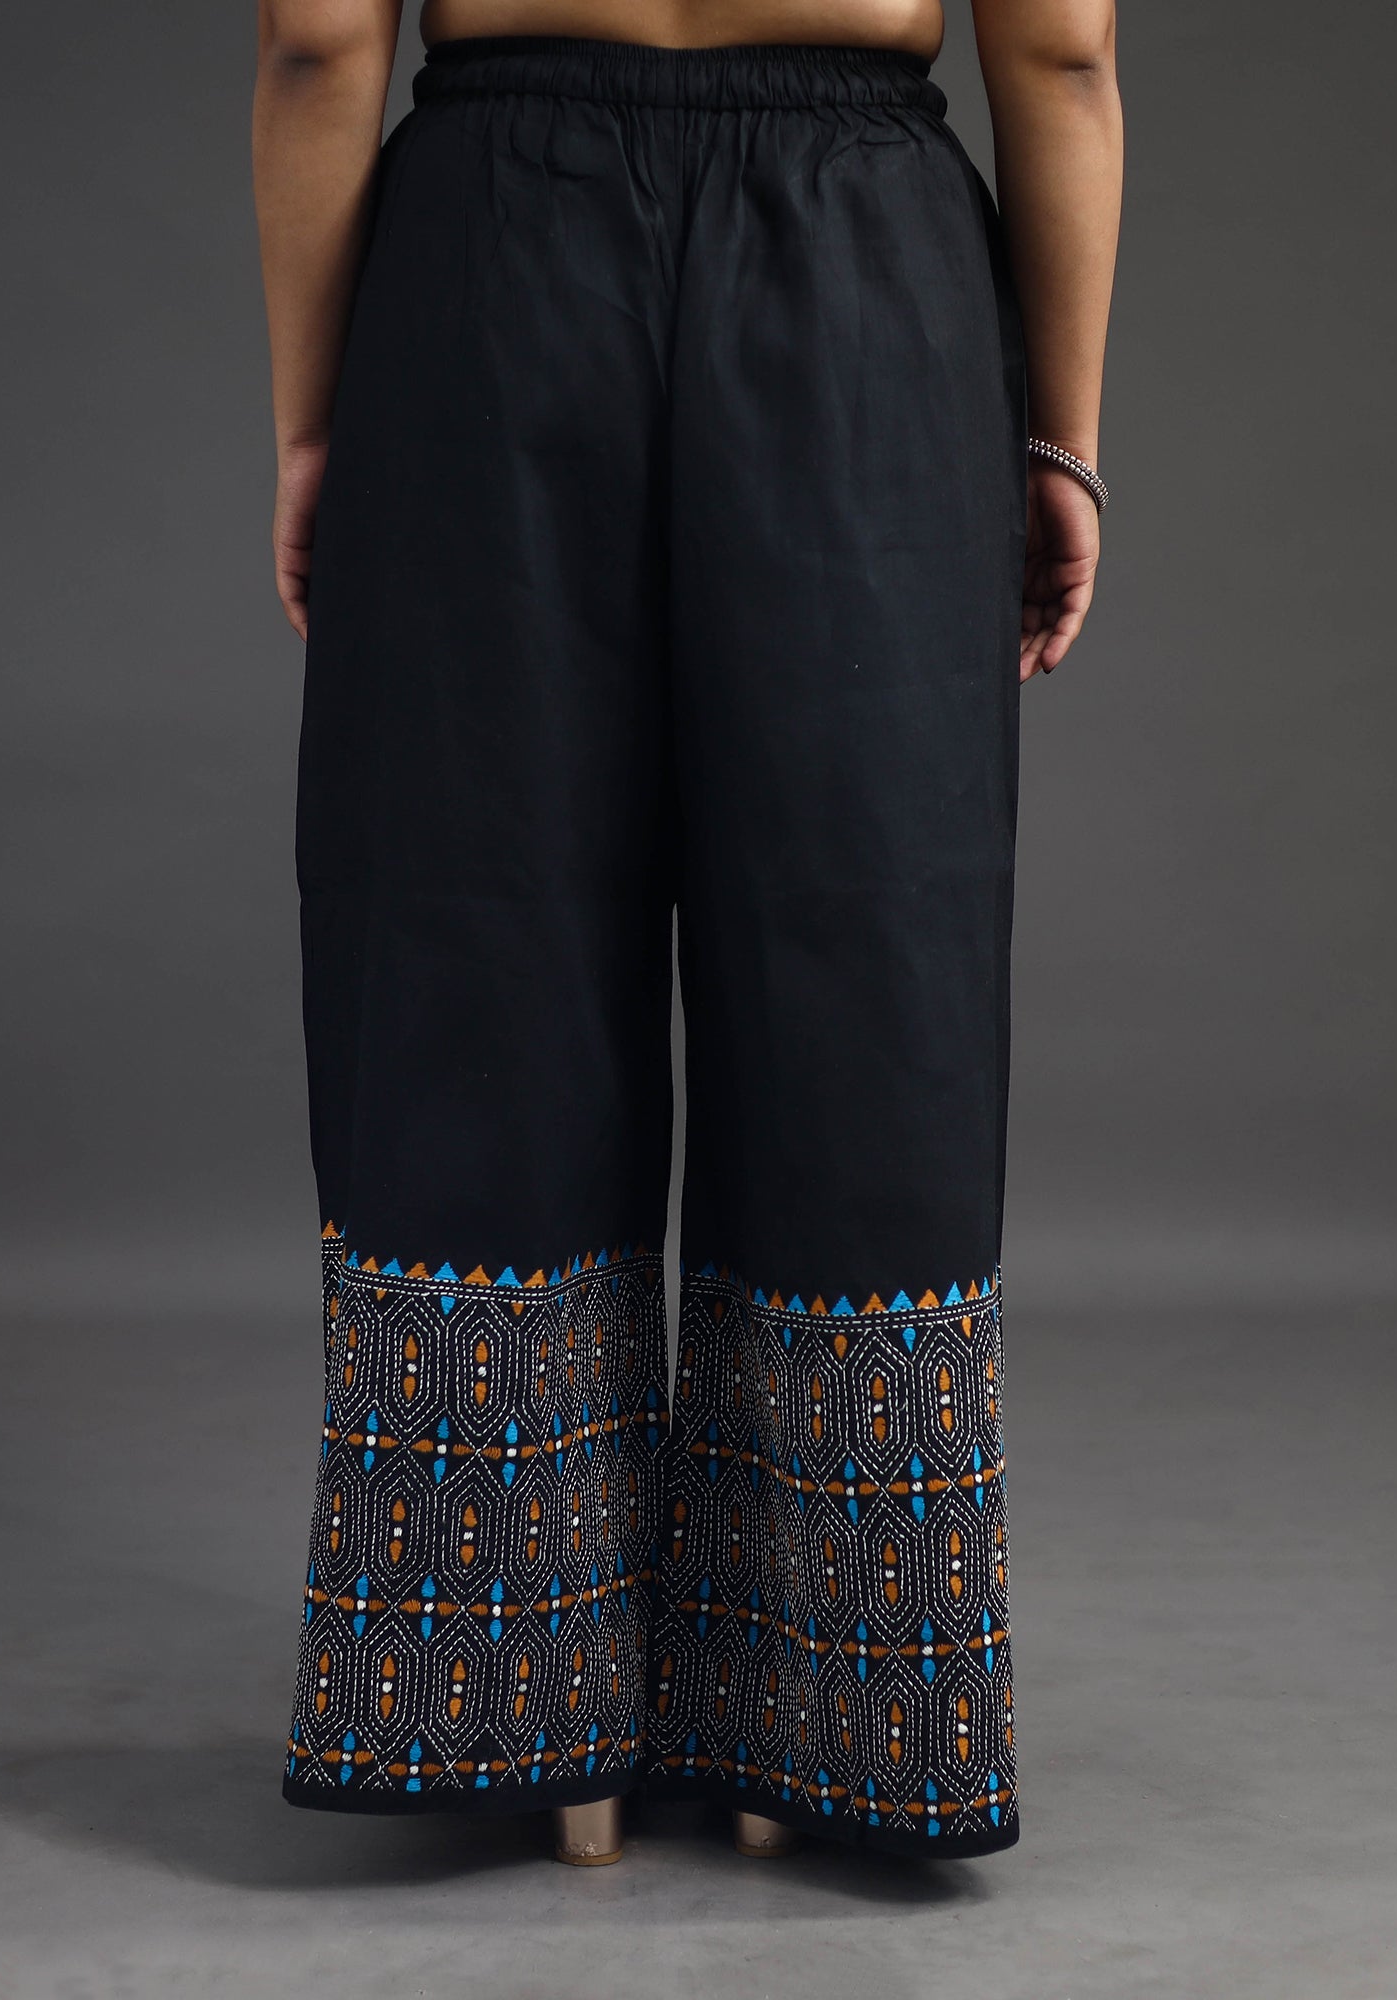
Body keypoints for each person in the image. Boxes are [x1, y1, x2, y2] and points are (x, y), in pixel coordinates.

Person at [254, 0, 1121, 1865]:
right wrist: (1062, 436)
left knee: (476, 948)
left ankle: (519, 1704)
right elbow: (1059, 58)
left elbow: (318, 43)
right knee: (864, 958)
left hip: (486, 267)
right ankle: (829, 1714)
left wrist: (317, 419)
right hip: (863, 266)